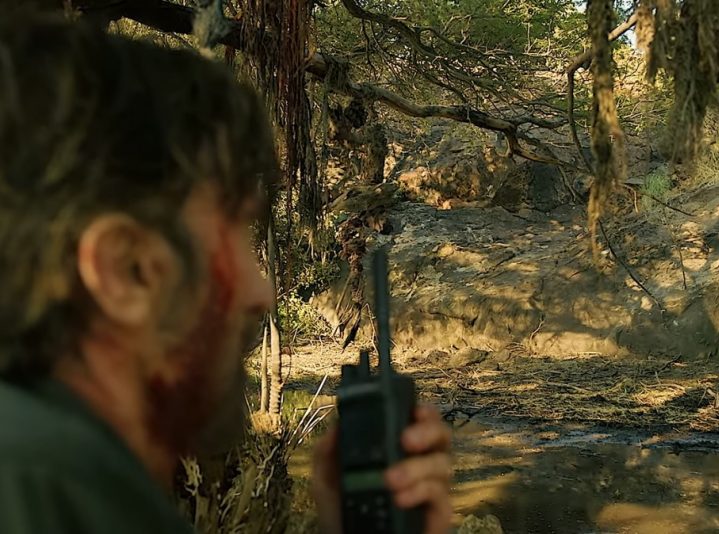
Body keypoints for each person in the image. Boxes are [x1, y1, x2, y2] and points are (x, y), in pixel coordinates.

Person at [0, 13, 452, 534]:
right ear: (126, 270)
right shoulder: (48, 488)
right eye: (235, 228)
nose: (263, 291)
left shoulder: (63, 478)